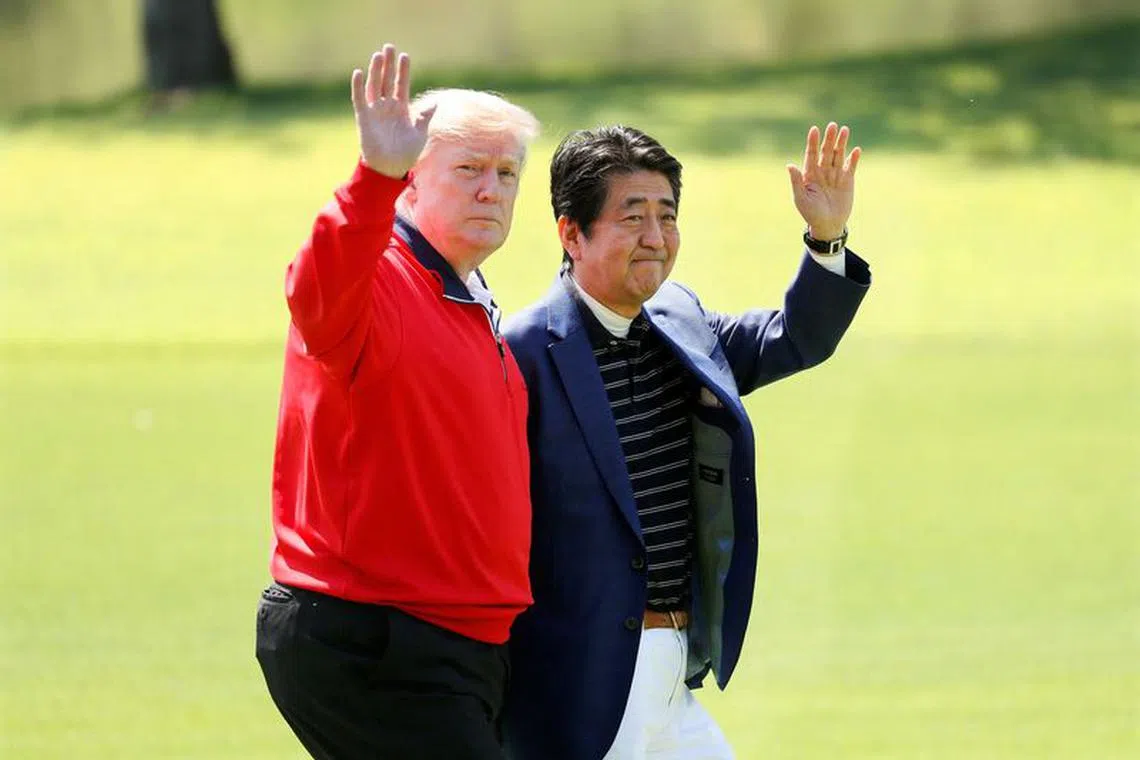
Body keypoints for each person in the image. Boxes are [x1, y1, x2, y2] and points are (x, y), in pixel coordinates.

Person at [501, 123, 870, 759]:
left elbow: (795, 338)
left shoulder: (680, 321)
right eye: (632, 217)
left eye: (667, 217)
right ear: (571, 232)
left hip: (677, 669)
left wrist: (826, 239)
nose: (656, 238)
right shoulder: (521, 354)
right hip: (585, 685)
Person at [254, 44, 540, 759]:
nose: (492, 191)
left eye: (507, 173)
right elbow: (315, 286)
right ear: (412, 180)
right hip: (376, 638)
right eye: (469, 170)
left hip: (454, 644)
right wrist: (371, 178)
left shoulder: (469, 301)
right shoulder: (378, 277)